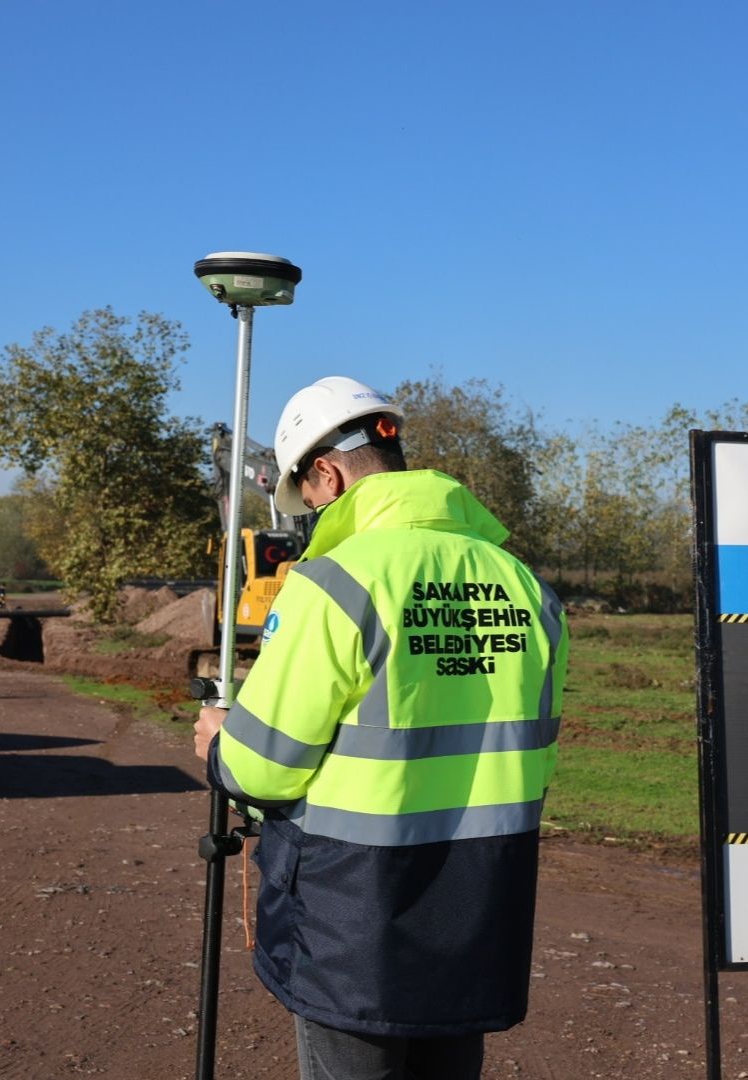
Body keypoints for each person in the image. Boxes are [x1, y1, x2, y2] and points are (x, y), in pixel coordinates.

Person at [194, 376, 569, 1080]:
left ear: (326, 473)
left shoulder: (334, 582)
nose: (306, 513)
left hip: (353, 916)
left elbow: (264, 770)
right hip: (482, 901)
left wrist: (220, 741)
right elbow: (532, 756)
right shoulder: (526, 586)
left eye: (303, 495)